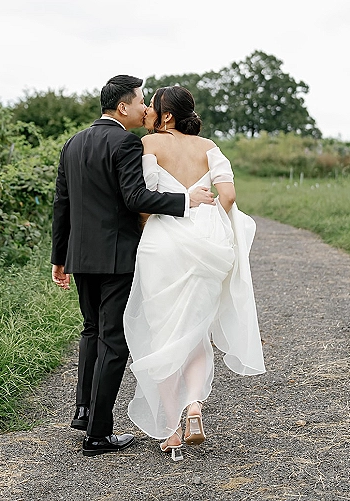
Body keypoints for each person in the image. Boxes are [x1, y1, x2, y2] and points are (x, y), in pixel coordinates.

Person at [51, 75, 215, 457]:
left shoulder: (72, 143)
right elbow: (134, 197)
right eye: (141, 101)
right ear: (122, 107)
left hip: (81, 257)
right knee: (113, 340)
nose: (145, 108)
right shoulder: (124, 141)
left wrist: (59, 257)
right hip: (117, 258)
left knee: (91, 331)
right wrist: (186, 200)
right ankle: (98, 434)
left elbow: (62, 204)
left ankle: (84, 412)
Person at [123, 86, 266, 462]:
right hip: (206, 244)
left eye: (153, 105)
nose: (149, 110)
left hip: (162, 243)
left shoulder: (149, 143)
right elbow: (229, 197)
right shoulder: (208, 147)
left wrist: (147, 226)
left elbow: (143, 197)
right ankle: (195, 407)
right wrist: (209, 219)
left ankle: (171, 432)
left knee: (164, 333)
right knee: (196, 331)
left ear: (166, 115)